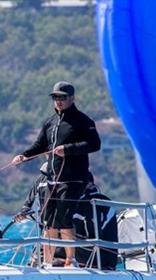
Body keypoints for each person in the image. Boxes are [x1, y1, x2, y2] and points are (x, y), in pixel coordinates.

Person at [11, 81, 101, 267]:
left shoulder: (83, 121)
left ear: (72, 98)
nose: (58, 101)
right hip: (52, 179)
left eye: (62, 97)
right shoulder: (49, 123)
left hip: (74, 179)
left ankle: (71, 260)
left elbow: (94, 145)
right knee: (49, 221)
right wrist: (24, 156)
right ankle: (48, 262)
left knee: (64, 218)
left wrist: (67, 149)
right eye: (55, 97)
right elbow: (39, 146)